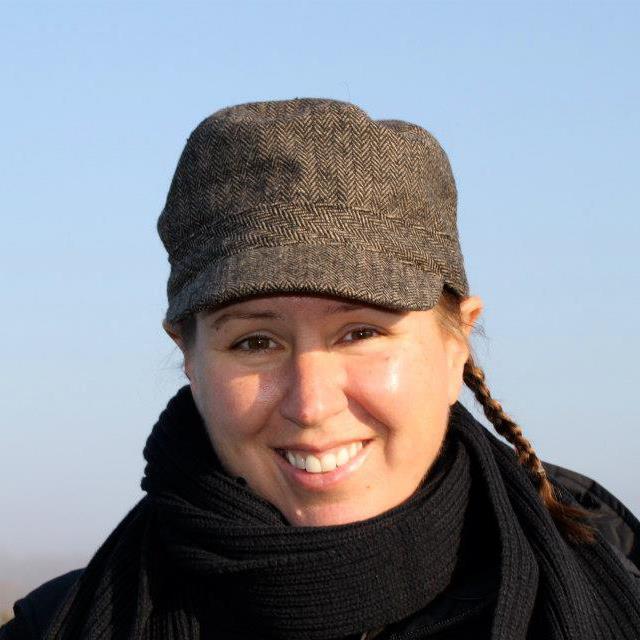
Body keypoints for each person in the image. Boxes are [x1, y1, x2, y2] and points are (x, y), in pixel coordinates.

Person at [2, 97, 639, 640]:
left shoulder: (616, 595)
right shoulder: (61, 623)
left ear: (456, 348)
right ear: (189, 356)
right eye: (255, 343)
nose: (310, 404)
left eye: (361, 333)